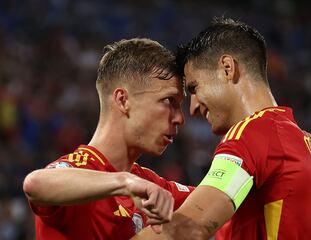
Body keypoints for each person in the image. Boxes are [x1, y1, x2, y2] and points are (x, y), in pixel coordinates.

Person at [133, 18, 311, 239]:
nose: (192, 108)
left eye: (194, 87)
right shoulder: (304, 144)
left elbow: (190, 227)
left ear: (227, 68)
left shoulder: (253, 132)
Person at [23, 38, 194, 240]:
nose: (180, 118)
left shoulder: (152, 185)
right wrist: (125, 182)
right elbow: (35, 184)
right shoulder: (79, 170)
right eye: (169, 101)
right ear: (123, 100)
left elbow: (220, 197)